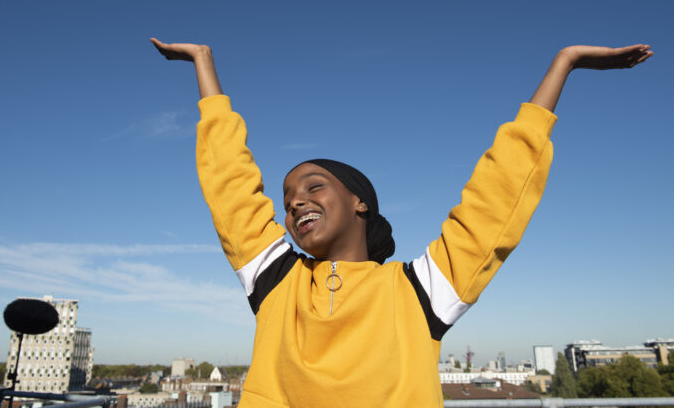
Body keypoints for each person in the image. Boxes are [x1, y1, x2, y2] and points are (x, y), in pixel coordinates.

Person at [150, 38, 652, 407]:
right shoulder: (276, 280)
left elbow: (497, 197)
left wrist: (563, 65)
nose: (295, 203)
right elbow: (229, 183)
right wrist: (205, 66)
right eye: (287, 198)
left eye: (313, 186)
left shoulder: (419, 291)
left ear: (359, 202)